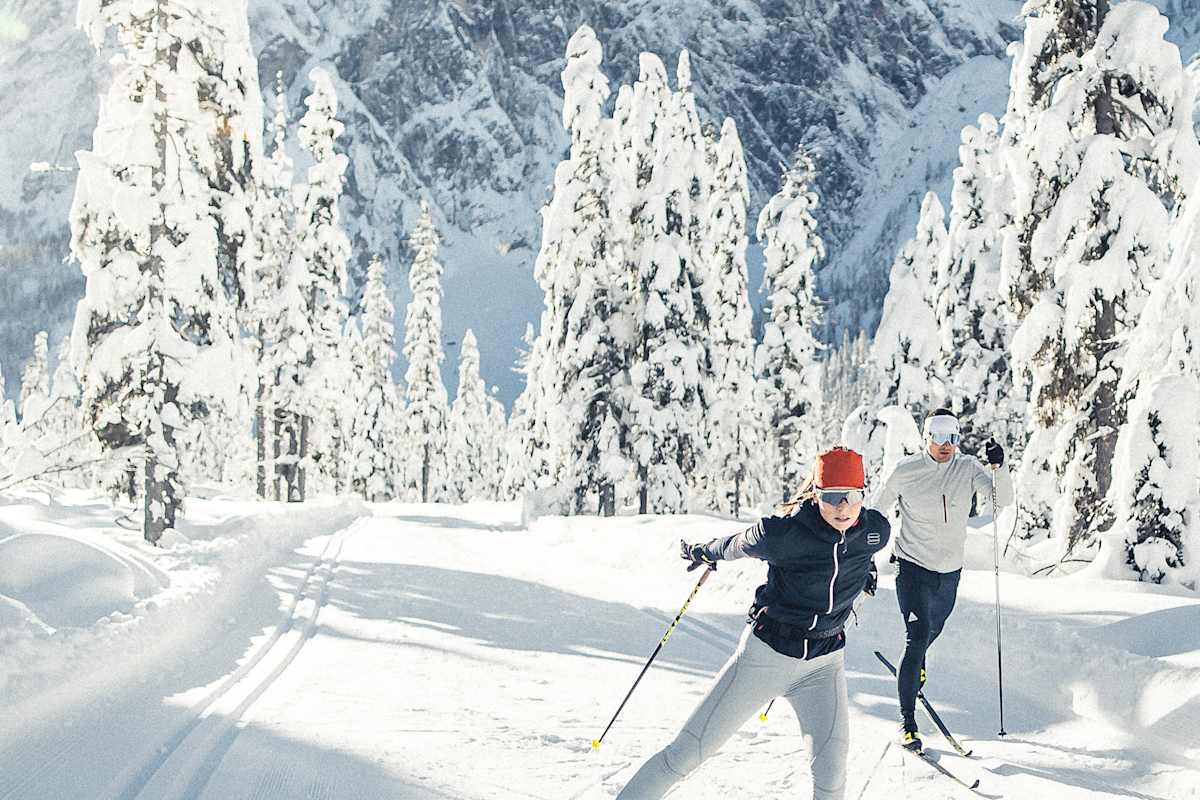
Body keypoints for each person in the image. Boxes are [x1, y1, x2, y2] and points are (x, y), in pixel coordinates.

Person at [615, 447, 890, 800]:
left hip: (824, 666)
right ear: (816, 495)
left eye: (851, 497)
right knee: (686, 754)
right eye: (831, 497)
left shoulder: (874, 532)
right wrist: (704, 551)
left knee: (832, 776)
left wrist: (866, 572)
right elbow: (736, 545)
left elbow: (858, 557)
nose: (842, 508)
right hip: (767, 657)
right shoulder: (783, 534)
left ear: (863, 495)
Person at [870, 408, 1013, 751]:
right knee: (916, 637)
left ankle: (916, 667)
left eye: (953, 436)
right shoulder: (906, 470)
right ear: (926, 436)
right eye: (939, 435)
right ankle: (907, 721)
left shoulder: (967, 468)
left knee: (934, 629)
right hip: (912, 567)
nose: (947, 444)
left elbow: (1001, 501)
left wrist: (1000, 468)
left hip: (949, 571)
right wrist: (865, 560)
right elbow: (876, 514)